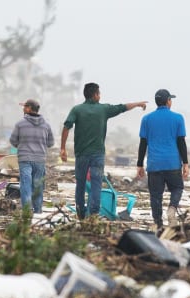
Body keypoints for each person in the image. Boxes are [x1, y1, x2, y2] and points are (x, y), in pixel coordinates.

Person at [60, 82, 147, 220]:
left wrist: (63, 148)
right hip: (97, 155)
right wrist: (137, 104)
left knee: (80, 184)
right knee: (96, 184)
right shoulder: (104, 109)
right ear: (95, 95)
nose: (100, 96)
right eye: (99, 93)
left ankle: (81, 213)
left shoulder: (76, 110)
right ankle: (94, 215)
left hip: (81, 154)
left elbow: (66, 127)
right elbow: (122, 107)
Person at [136, 88, 189, 233]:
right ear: (168, 101)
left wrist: (139, 164)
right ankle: (172, 208)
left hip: (154, 164)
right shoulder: (178, 118)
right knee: (177, 188)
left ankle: (158, 225)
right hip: (172, 163)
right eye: (170, 99)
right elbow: (181, 142)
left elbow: (143, 143)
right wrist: (185, 163)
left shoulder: (146, 119)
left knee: (155, 195)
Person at [9, 98, 54, 215]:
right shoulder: (46, 125)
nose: (23, 109)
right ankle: (38, 211)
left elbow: (13, 141)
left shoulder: (20, 124)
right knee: (37, 186)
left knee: (25, 184)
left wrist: (23, 143)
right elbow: (50, 143)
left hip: (25, 159)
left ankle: (27, 211)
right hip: (40, 159)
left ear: (29, 108)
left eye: (24, 107)